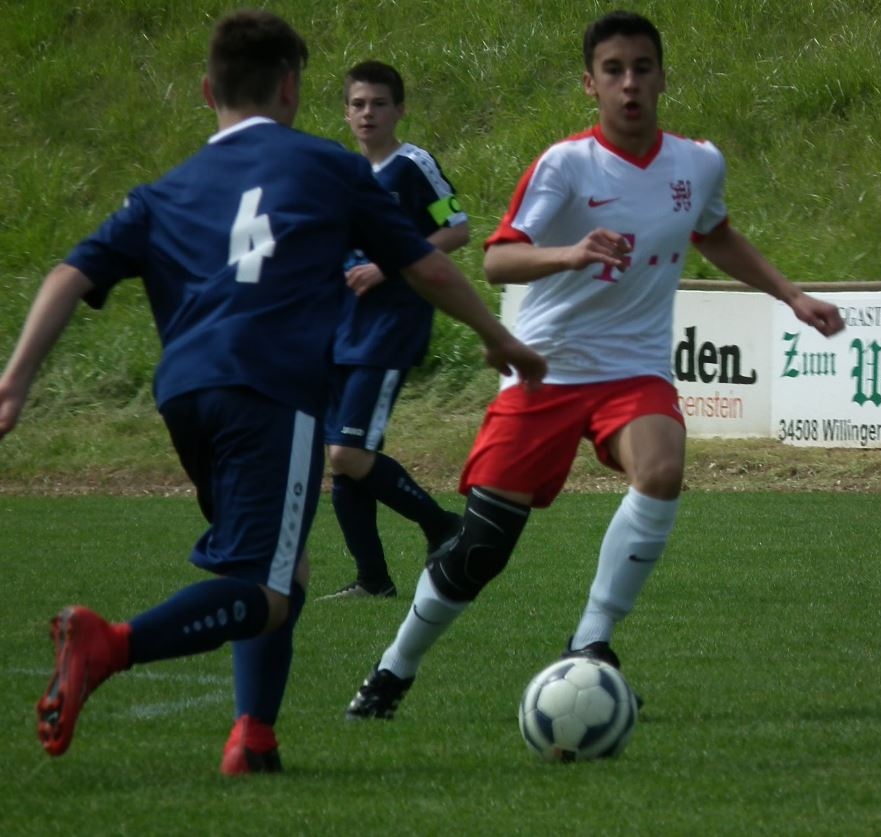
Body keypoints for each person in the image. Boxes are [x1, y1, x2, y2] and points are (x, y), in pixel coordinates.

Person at [0, 10, 544, 774]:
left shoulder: (165, 189)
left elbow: (67, 274)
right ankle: (111, 644)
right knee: (267, 587)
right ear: (290, 88)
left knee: (281, 564)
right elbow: (426, 263)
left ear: (206, 91)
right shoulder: (329, 167)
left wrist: (15, 382)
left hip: (184, 395)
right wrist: (499, 338)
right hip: (269, 388)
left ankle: (253, 737)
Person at [344, 10, 845, 720]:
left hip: (633, 370)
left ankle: (591, 642)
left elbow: (715, 233)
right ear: (590, 84)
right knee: (480, 550)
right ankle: (393, 669)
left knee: (661, 468)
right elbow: (498, 259)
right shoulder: (565, 165)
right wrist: (571, 253)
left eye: (642, 68)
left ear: (662, 77)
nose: (629, 83)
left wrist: (791, 294)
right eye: (613, 71)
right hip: (545, 368)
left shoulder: (698, 163)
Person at [322, 61, 470, 600]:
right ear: (346, 112)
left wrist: (388, 265)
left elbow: (457, 227)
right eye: (358, 104)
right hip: (341, 328)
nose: (368, 113)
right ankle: (372, 580)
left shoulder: (413, 165)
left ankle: (443, 526)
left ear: (399, 110)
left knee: (347, 453)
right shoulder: (341, 172)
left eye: (379, 104)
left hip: (389, 326)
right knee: (344, 461)